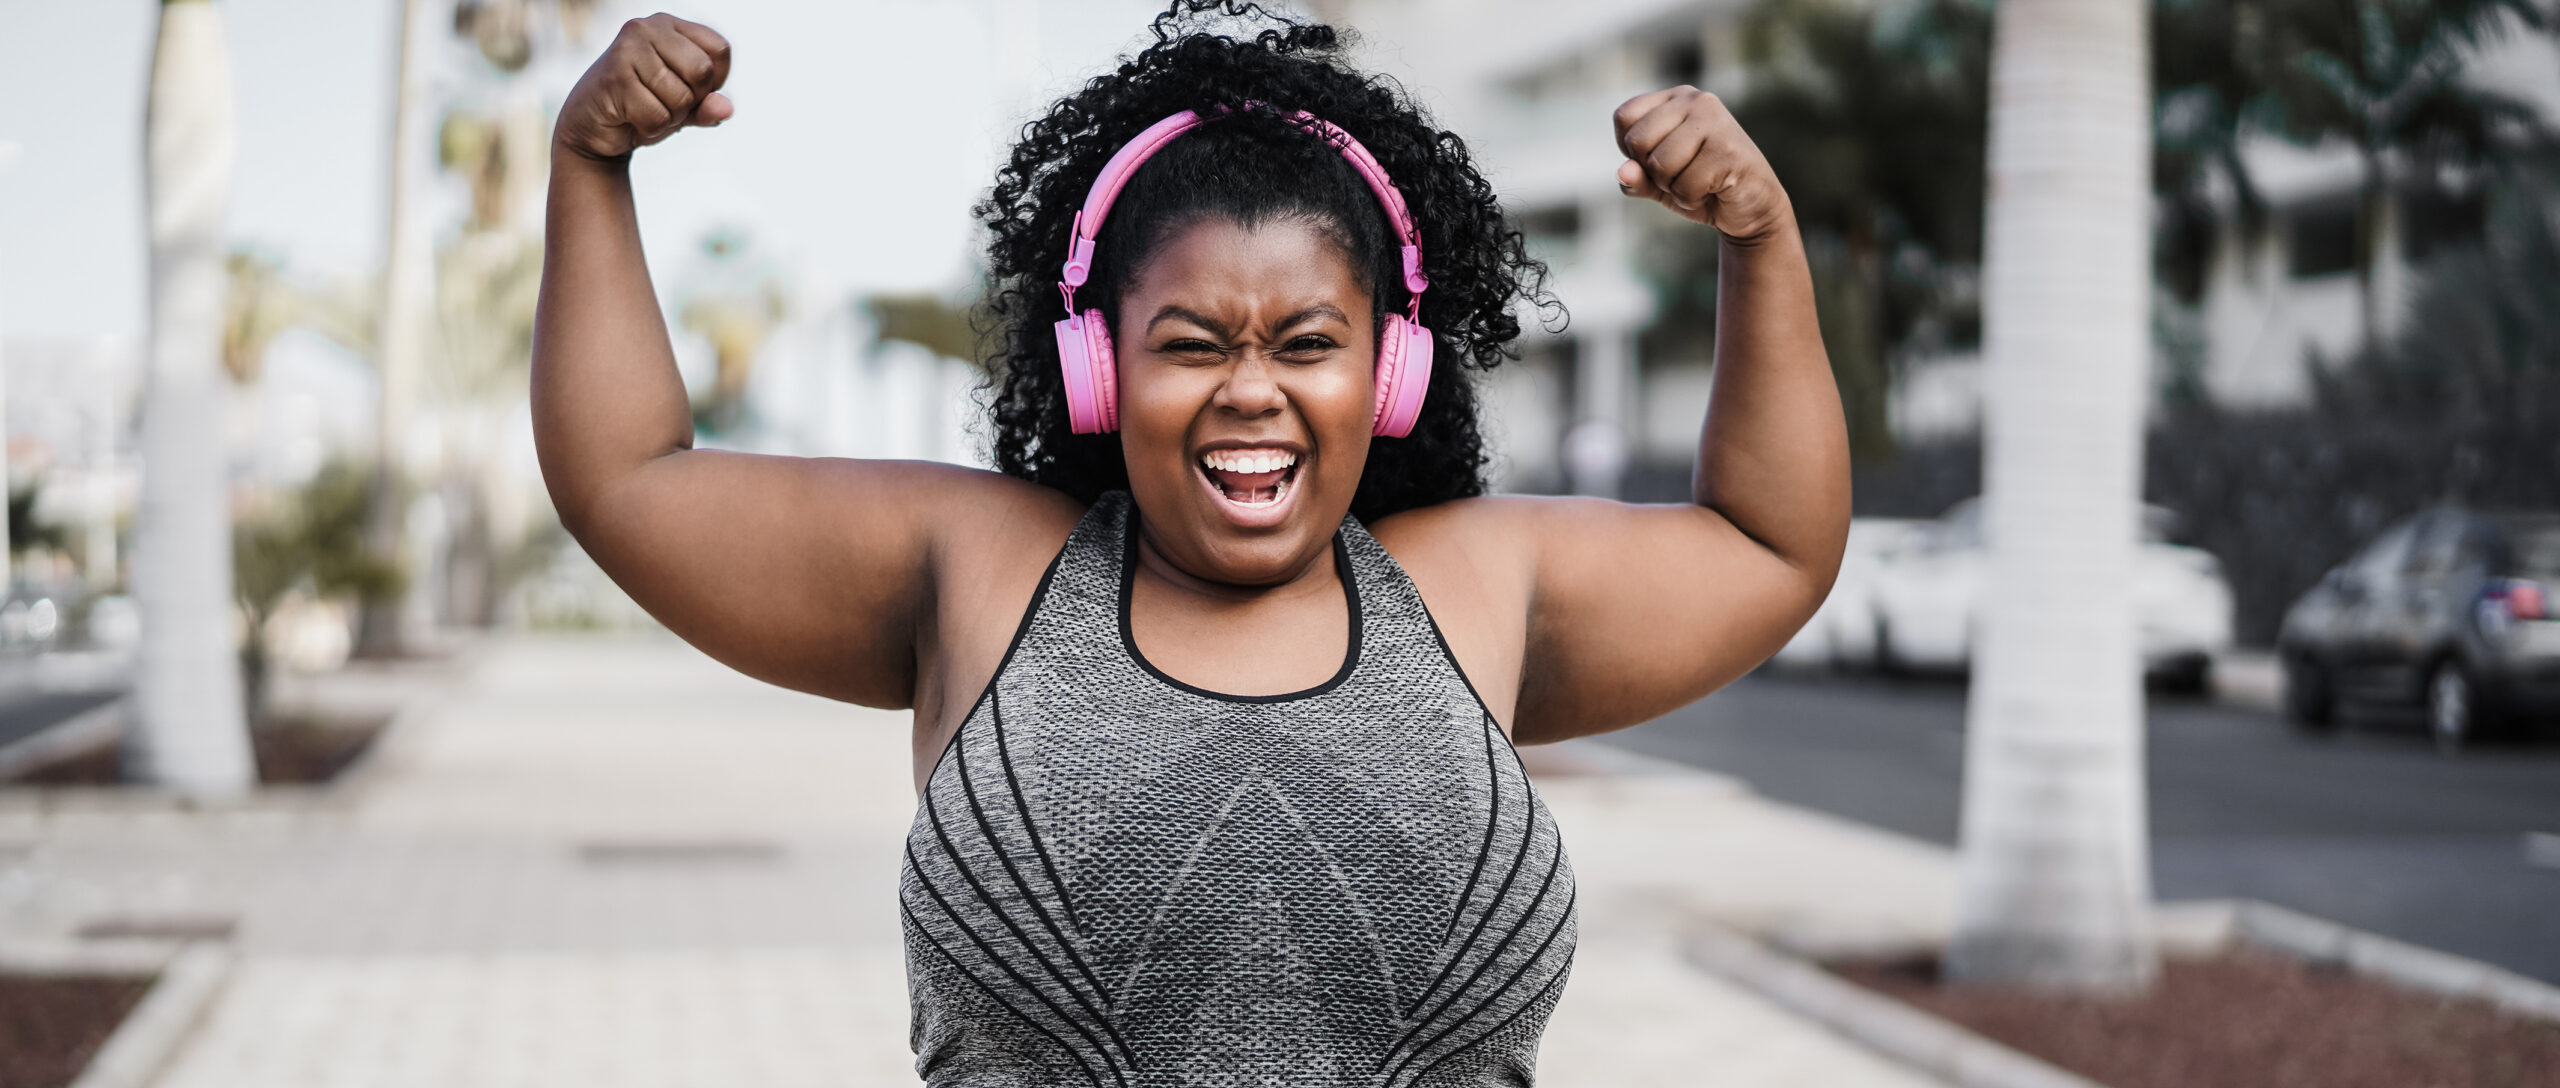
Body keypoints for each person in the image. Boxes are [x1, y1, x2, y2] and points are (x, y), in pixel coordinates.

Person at [532, 3, 1847, 1083]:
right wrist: (589, 167)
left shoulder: (1475, 588)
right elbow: (630, 480)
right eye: (1193, 344)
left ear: (1390, 373)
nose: (1251, 389)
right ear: (1100, 367)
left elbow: (1768, 543)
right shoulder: (980, 569)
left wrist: (1763, 238)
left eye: (1309, 343)